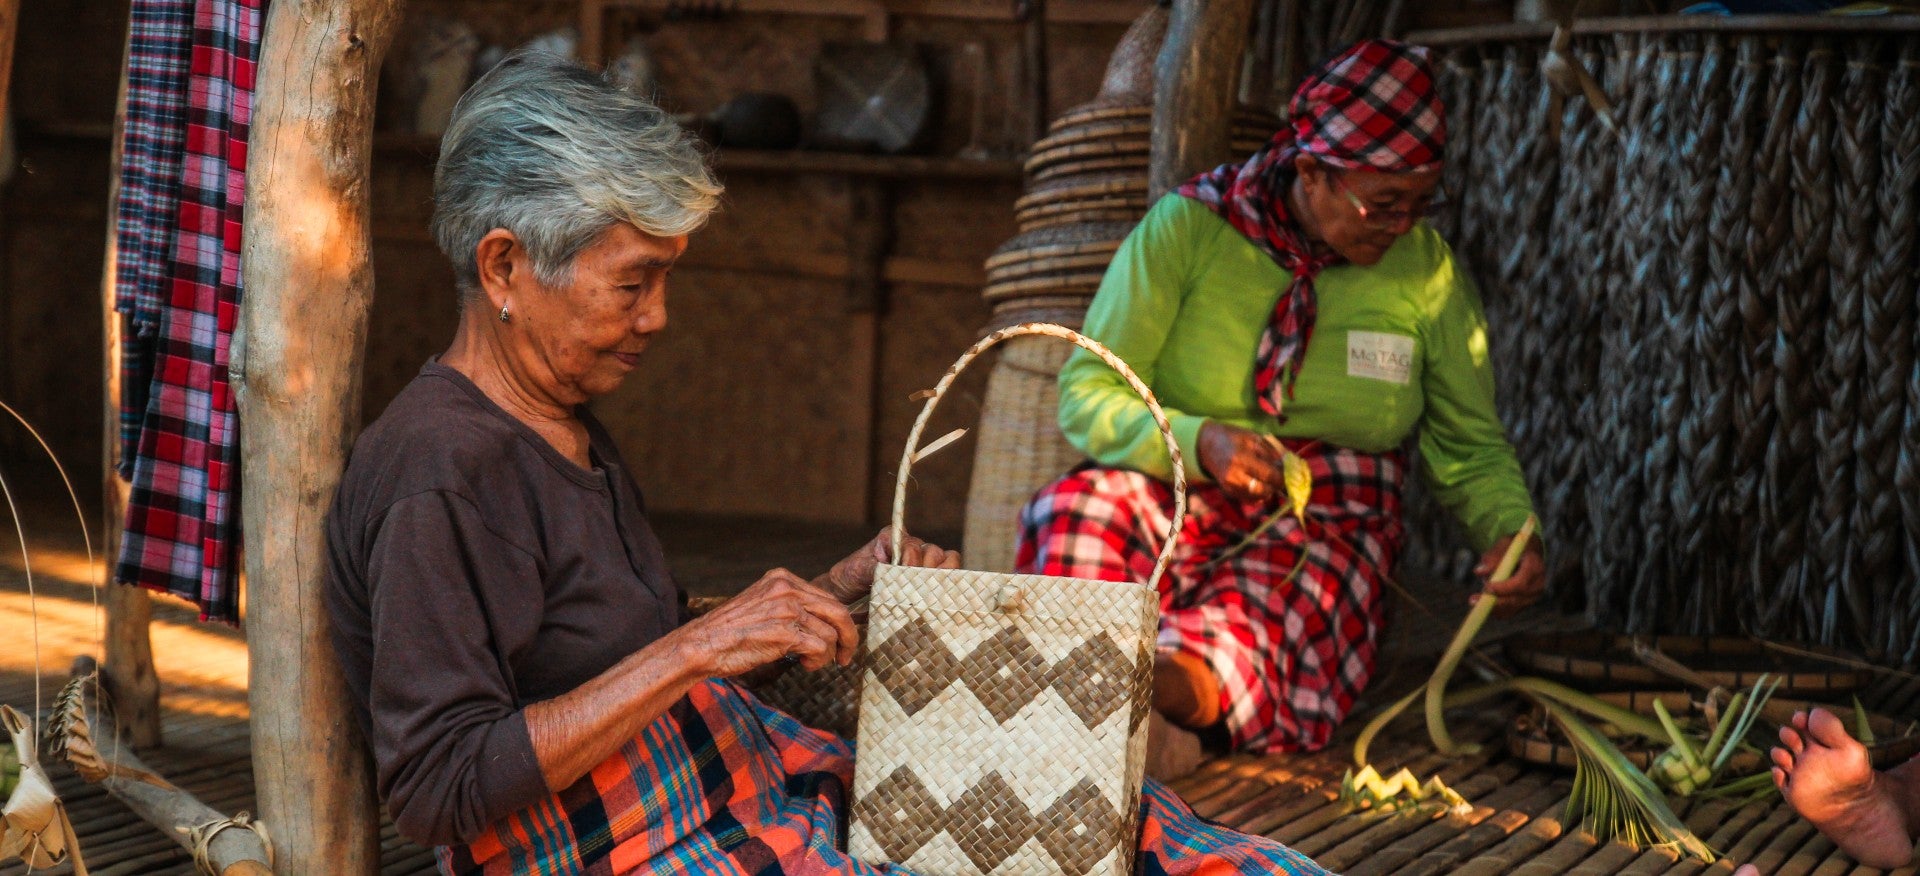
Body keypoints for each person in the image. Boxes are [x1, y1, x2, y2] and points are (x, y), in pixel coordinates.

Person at [325, 51, 1330, 875]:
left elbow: (604, 647)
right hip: (630, 845)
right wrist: (697, 646)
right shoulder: (439, 474)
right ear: (505, 266)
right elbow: (437, 788)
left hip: (734, 782)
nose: (658, 318)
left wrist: (826, 599)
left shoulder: (559, 419)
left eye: (664, 281)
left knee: (1134, 840)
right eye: (633, 284)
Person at [1018, 39, 1546, 758]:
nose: (1401, 228)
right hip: (1181, 486)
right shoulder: (1189, 229)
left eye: (1421, 205)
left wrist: (1510, 530)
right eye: (1384, 204)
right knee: (1081, 507)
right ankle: (1104, 703)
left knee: (1266, 609)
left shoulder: (1426, 274)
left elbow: (1469, 442)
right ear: (1310, 173)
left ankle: (1127, 705)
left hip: (1328, 515)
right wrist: (1199, 441)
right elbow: (1088, 389)